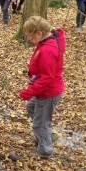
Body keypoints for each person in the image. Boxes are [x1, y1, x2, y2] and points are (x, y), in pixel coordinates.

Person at [20, 16, 65, 158]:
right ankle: (45, 133)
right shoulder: (48, 40)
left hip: (48, 93)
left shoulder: (47, 51)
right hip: (46, 90)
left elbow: (47, 79)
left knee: (39, 124)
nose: (29, 40)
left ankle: (45, 149)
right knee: (31, 108)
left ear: (39, 33)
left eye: (30, 37)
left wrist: (28, 92)